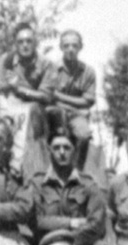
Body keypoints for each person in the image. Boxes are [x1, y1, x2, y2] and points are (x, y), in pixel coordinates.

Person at [27, 129, 107, 245]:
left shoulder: (88, 184)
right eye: (56, 148)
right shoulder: (38, 184)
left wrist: (69, 244)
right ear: (49, 150)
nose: (62, 152)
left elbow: (96, 225)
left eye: (67, 147)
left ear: (75, 151)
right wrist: (71, 223)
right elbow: (35, 220)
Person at [0, 22, 57, 141]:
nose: (25, 45)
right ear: (15, 44)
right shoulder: (6, 60)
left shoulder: (46, 64)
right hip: (10, 106)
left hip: (36, 108)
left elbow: (46, 96)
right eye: (20, 42)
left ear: (35, 43)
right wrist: (8, 87)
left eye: (29, 41)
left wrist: (19, 90)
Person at [46, 30, 96, 167]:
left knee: (84, 135)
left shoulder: (88, 72)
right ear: (61, 47)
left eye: (74, 45)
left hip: (76, 116)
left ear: (80, 47)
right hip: (53, 113)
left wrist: (59, 97)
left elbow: (89, 101)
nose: (70, 49)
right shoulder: (51, 69)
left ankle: (77, 170)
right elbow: (49, 96)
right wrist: (75, 104)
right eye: (66, 45)